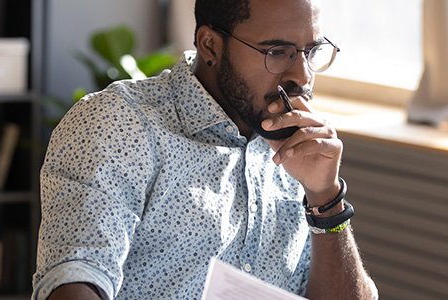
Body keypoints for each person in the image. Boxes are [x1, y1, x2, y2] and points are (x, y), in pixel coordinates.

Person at [32, 0, 377, 299]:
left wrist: (325, 199)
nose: (301, 75)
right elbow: (76, 276)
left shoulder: (300, 146)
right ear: (210, 45)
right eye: (277, 52)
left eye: (311, 51)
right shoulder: (120, 122)